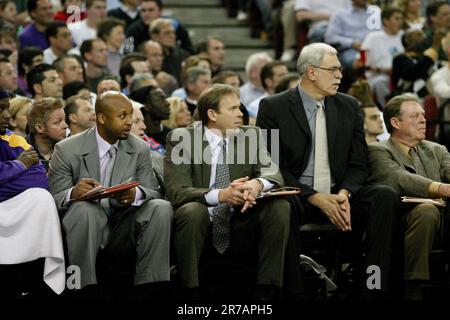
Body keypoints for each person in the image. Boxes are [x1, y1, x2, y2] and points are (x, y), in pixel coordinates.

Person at [256, 43, 398, 299]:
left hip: (338, 193)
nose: (340, 75)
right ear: (311, 72)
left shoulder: (349, 106)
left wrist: (344, 193)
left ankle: (372, 286)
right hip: (297, 194)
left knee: (384, 196)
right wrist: (313, 196)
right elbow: (274, 168)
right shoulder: (273, 107)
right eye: (333, 70)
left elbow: (358, 165)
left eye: (340, 70)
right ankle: (294, 292)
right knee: (282, 205)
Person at [165, 84, 290, 300]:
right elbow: (178, 191)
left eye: (240, 108)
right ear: (212, 114)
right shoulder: (181, 138)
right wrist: (220, 195)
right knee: (193, 211)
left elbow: (273, 173)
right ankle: (190, 291)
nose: (241, 113)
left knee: (279, 207)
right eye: (232, 109)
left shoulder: (252, 134)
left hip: (240, 217)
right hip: (202, 219)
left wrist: (256, 185)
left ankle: (267, 291)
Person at [48, 91, 173, 297]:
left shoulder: (140, 147)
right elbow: (52, 200)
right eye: (122, 116)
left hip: (122, 224)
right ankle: (83, 286)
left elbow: (153, 192)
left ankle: (152, 287)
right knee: (84, 209)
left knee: (161, 208)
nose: (129, 121)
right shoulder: (67, 149)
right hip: (84, 224)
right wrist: (73, 193)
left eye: (130, 115)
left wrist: (136, 194)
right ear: (102, 118)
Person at [368, 94, 450, 299]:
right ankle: (414, 285)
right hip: (399, 222)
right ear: (395, 122)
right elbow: (398, 178)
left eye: (422, 115)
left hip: (444, 221)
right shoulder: (377, 150)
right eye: (415, 116)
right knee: (426, 211)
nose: (423, 119)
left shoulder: (437, 149)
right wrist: (441, 188)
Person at [0, 90, 65, 298]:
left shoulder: (14, 140)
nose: (7, 116)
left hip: (12, 208)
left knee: (41, 197)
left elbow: (38, 179)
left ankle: (34, 283)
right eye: (1, 109)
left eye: (8, 109)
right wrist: (18, 165)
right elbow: (25, 171)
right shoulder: (18, 153)